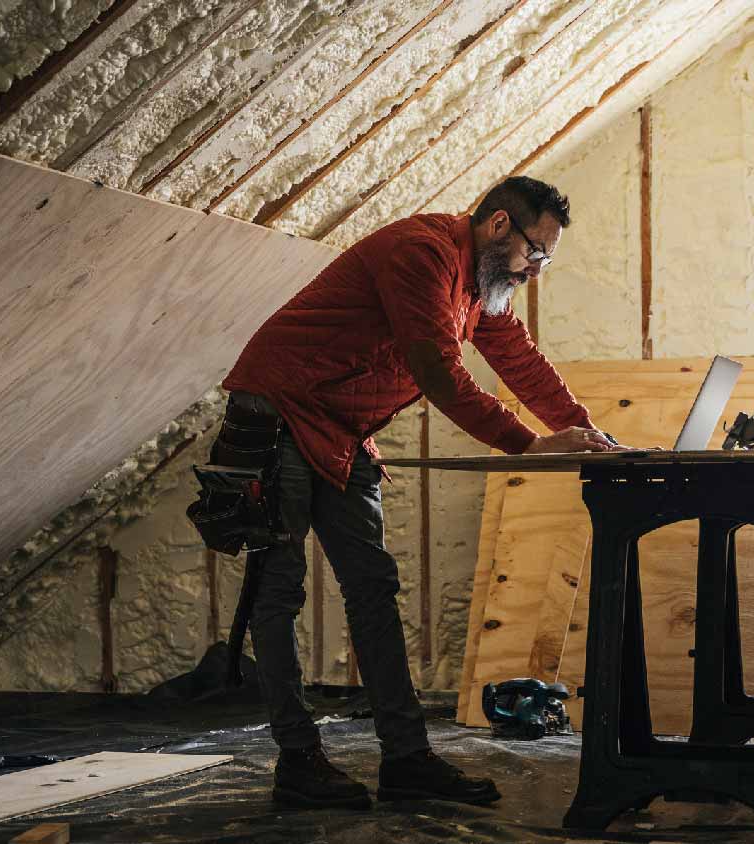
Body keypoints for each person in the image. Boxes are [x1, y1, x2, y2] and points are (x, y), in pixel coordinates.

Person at [218, 176, 632, 809]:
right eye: (536, 252)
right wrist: (526, 444)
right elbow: (438, 370)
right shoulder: (423, 254)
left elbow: (518, 359)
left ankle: (407, 760)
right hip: (278, 410)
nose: (535, 270)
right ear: (498, 226)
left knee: (373, 586)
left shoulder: (483, 282)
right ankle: (298, 760)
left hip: (343, 426)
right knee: (280, 590)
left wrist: (584, 432)